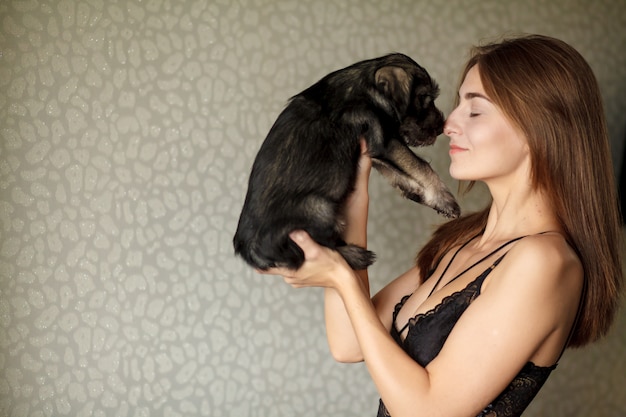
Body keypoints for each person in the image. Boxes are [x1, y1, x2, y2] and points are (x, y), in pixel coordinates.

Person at [257, 34, 623, 416]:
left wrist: (343, 278)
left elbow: (428, 411)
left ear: (538, 127)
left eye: (475, 110)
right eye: (458, 105)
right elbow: (348, 342)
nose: (449, 124)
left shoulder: (545, 261)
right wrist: (357, 184)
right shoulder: (461, 243)